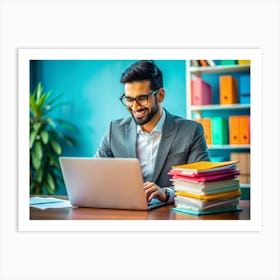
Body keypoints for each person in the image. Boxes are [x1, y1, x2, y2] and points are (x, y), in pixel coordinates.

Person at [95, 60, 210, 204]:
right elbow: (95, 176)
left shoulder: (191, 131)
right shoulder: (115, 130)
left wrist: (167, 194)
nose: (135, 107)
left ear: (160, 95)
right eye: (129, 99)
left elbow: (201, 184)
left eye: (142, 98)